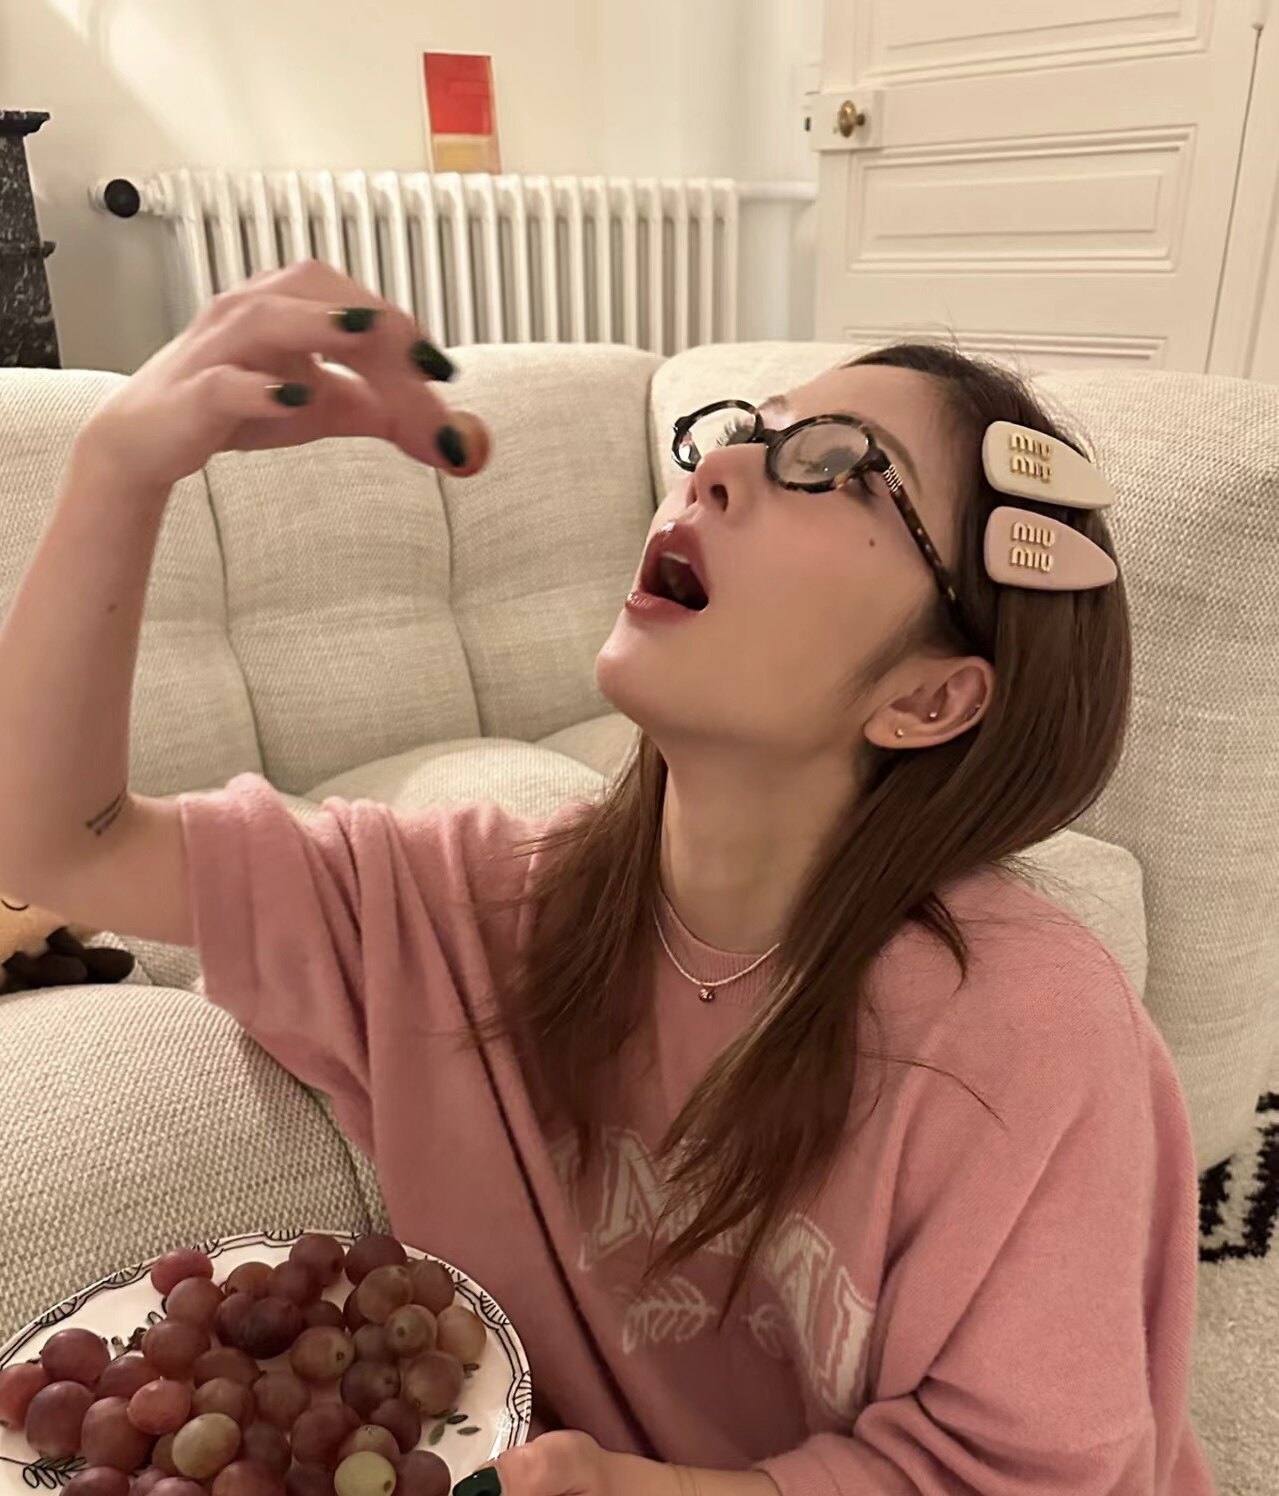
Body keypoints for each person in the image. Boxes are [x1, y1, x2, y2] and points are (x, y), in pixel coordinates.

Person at [0, 261, 1214, 1496]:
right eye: (739, 431)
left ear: (930, 696)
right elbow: (63, 843)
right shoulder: (467, 904)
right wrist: (121, 463)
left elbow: (1020, 1475)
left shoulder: (1023, 1028)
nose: (717, 465)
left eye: (840, 465)